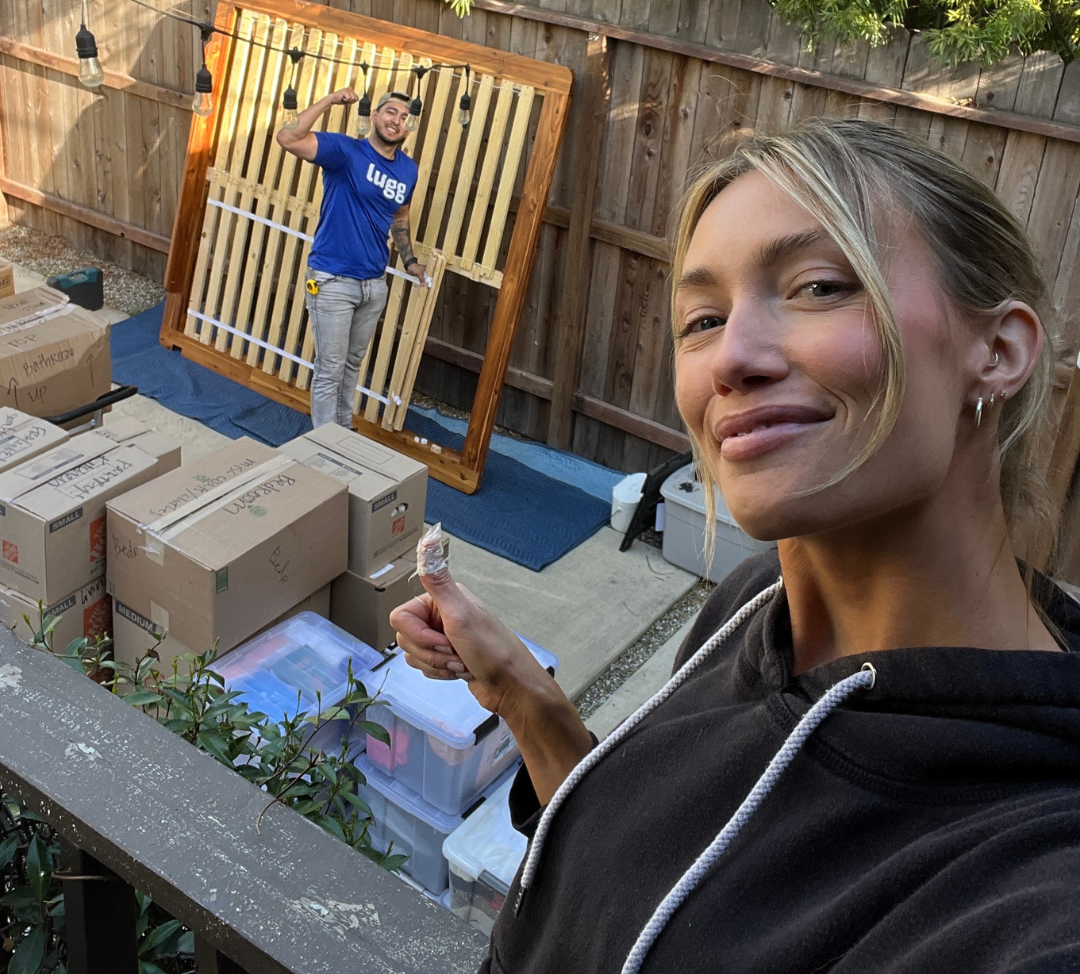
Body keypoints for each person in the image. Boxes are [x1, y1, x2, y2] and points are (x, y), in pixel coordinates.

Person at [391, 118, 1080, 974]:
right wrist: (527, 699)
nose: (733, 359)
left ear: (1000, 350)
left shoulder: (1036, 893)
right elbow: (648, 879)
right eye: (703, 318)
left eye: (820, 287)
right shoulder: (751, 602)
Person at [277, 88, 425, 429]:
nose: (396, 121)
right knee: (329, 369)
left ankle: (342, 434)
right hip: (331, 280)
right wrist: (329, 101)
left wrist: (409, 260)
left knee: (351, 366)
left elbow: (400, 217)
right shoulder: (345, 151)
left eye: (404, 117)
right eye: (390, 112)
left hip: (374, 285)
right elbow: (288, 137)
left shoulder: (408, 170)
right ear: (374, 116)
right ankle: (327, 448)